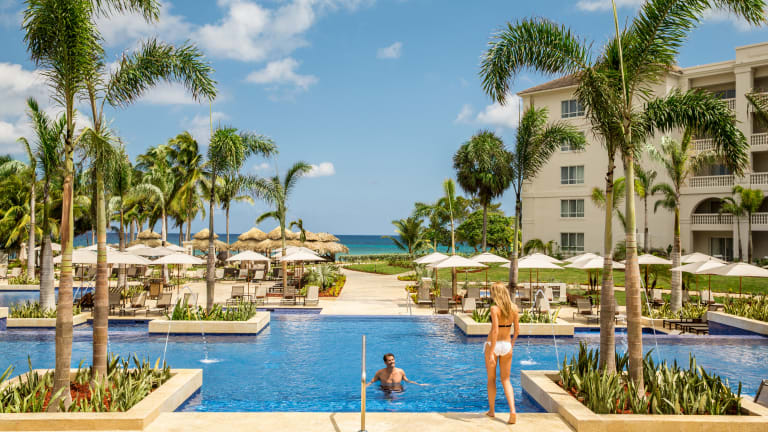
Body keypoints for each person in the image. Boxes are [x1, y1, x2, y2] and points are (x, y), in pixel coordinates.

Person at [484, 282, 520, 424]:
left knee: (491, 379)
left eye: (492, 292)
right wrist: (511, 345)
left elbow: (495, 331)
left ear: (496, 294)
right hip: (506, 345)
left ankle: (492, 411)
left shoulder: (494, 309)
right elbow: (517, 331)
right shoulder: (514, 309)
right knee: (506, 380)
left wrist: (491, 352)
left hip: (493, 345)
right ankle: (512, 411)